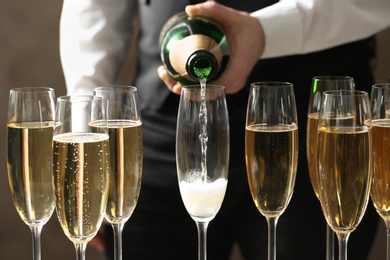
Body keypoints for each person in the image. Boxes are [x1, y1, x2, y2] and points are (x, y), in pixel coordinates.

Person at [59, 1, 390, 259]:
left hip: (317, 128)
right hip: (157, 132)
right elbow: (93, 8)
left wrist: (266, 31)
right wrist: (87, 138)